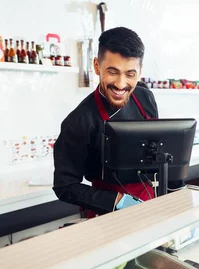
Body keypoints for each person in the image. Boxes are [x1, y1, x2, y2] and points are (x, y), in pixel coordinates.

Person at [53, 27, 158, 217]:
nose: (120, 83)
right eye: (112, 72)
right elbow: (64, 186)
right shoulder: (79, 121)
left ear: (140, 72)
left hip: (150, 205)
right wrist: (118, 201)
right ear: (96, 66)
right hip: (107, 215)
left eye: (130, 74)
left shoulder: (145, 98)